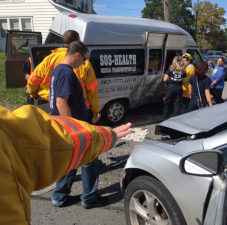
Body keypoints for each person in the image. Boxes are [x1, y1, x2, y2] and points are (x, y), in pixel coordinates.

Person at [0, 104, 131, 225]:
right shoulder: (67, 76)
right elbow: (53, 139)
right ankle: (87, 197)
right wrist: (101, 136)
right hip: (77, 127)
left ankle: (61, 197)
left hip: (72, 128)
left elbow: (28, 142)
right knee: (84, 160)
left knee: (72, 161)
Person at [48, 41, 102, 209]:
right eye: (84, 59)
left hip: (62, 125)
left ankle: (60, 197)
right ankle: (89, 198)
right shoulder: (67, 73)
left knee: (69, 161)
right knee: (90, 159)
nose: (84, 63)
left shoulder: (58, 70)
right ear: (78, 55)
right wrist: (74, 129)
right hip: (72, 127)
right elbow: (60, 102)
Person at [27, 30, 101, 124]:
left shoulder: (50, 59)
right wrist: (96, 111)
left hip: (50, 103)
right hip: (73, 113)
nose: (84, 62)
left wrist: (33, 94)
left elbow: (33, 80)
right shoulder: (70, 70)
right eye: (84, 59)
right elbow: (92, 90)